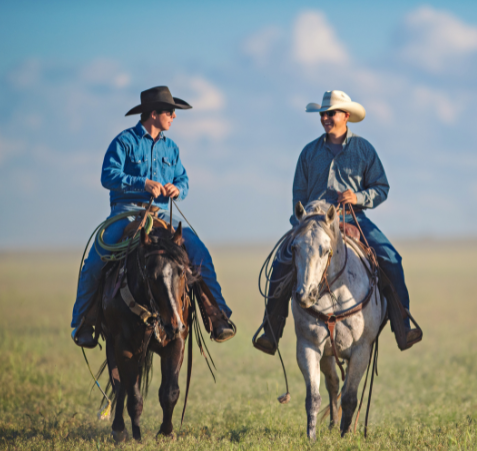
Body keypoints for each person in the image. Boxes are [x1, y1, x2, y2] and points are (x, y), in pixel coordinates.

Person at [253, 90, 422, 355]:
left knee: (391, 258)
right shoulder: (308, 152)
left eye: (331, 113)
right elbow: (299, 194)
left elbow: (382, 187)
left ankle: (402, 325)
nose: (325, 118)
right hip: (312, 222)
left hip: (352, 216)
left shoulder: (364, 149)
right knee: (281, 263)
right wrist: (300, 225)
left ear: (346, 116)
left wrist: (359, 196)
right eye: (322, 114)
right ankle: (271, 331)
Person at [71, 86, 235, 348]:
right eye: (170, 111)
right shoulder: (124, 142)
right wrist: (142, 183)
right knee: (95, 261)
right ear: (154, 113)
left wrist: (177, 188)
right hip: (126, 213)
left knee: (198, 251)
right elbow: (108, 176)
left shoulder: (172, 148)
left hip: (159, 215)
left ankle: (217, 316)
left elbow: (183, 179)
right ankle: (83, 322)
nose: (174, 116)